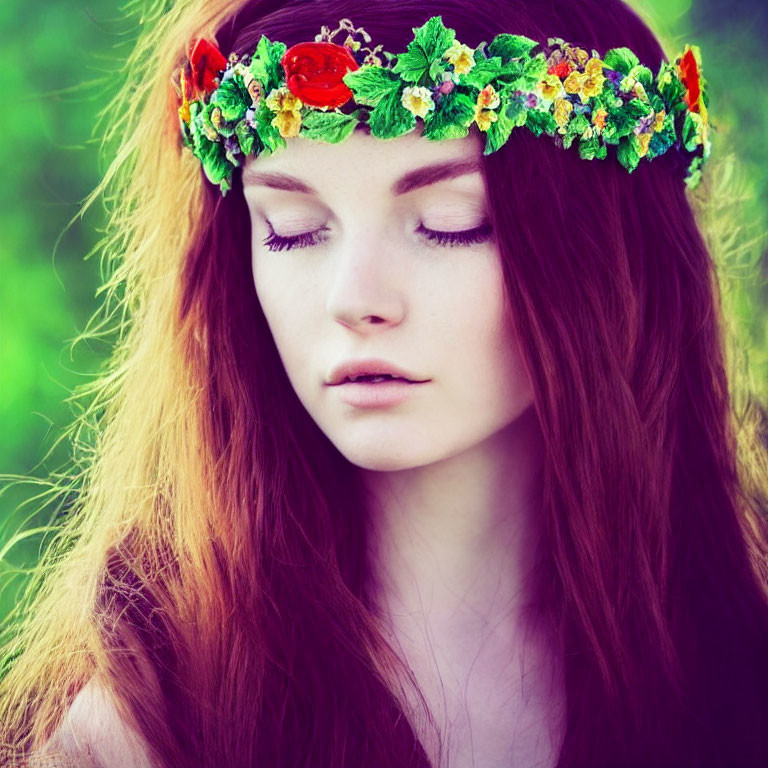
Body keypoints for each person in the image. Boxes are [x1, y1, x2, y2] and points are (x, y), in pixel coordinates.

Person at [2, 0, 767, 766]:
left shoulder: (734, 686)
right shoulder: (146, 732)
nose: (354, 297)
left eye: (448, 220)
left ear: (613, 253)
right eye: (292, 230)